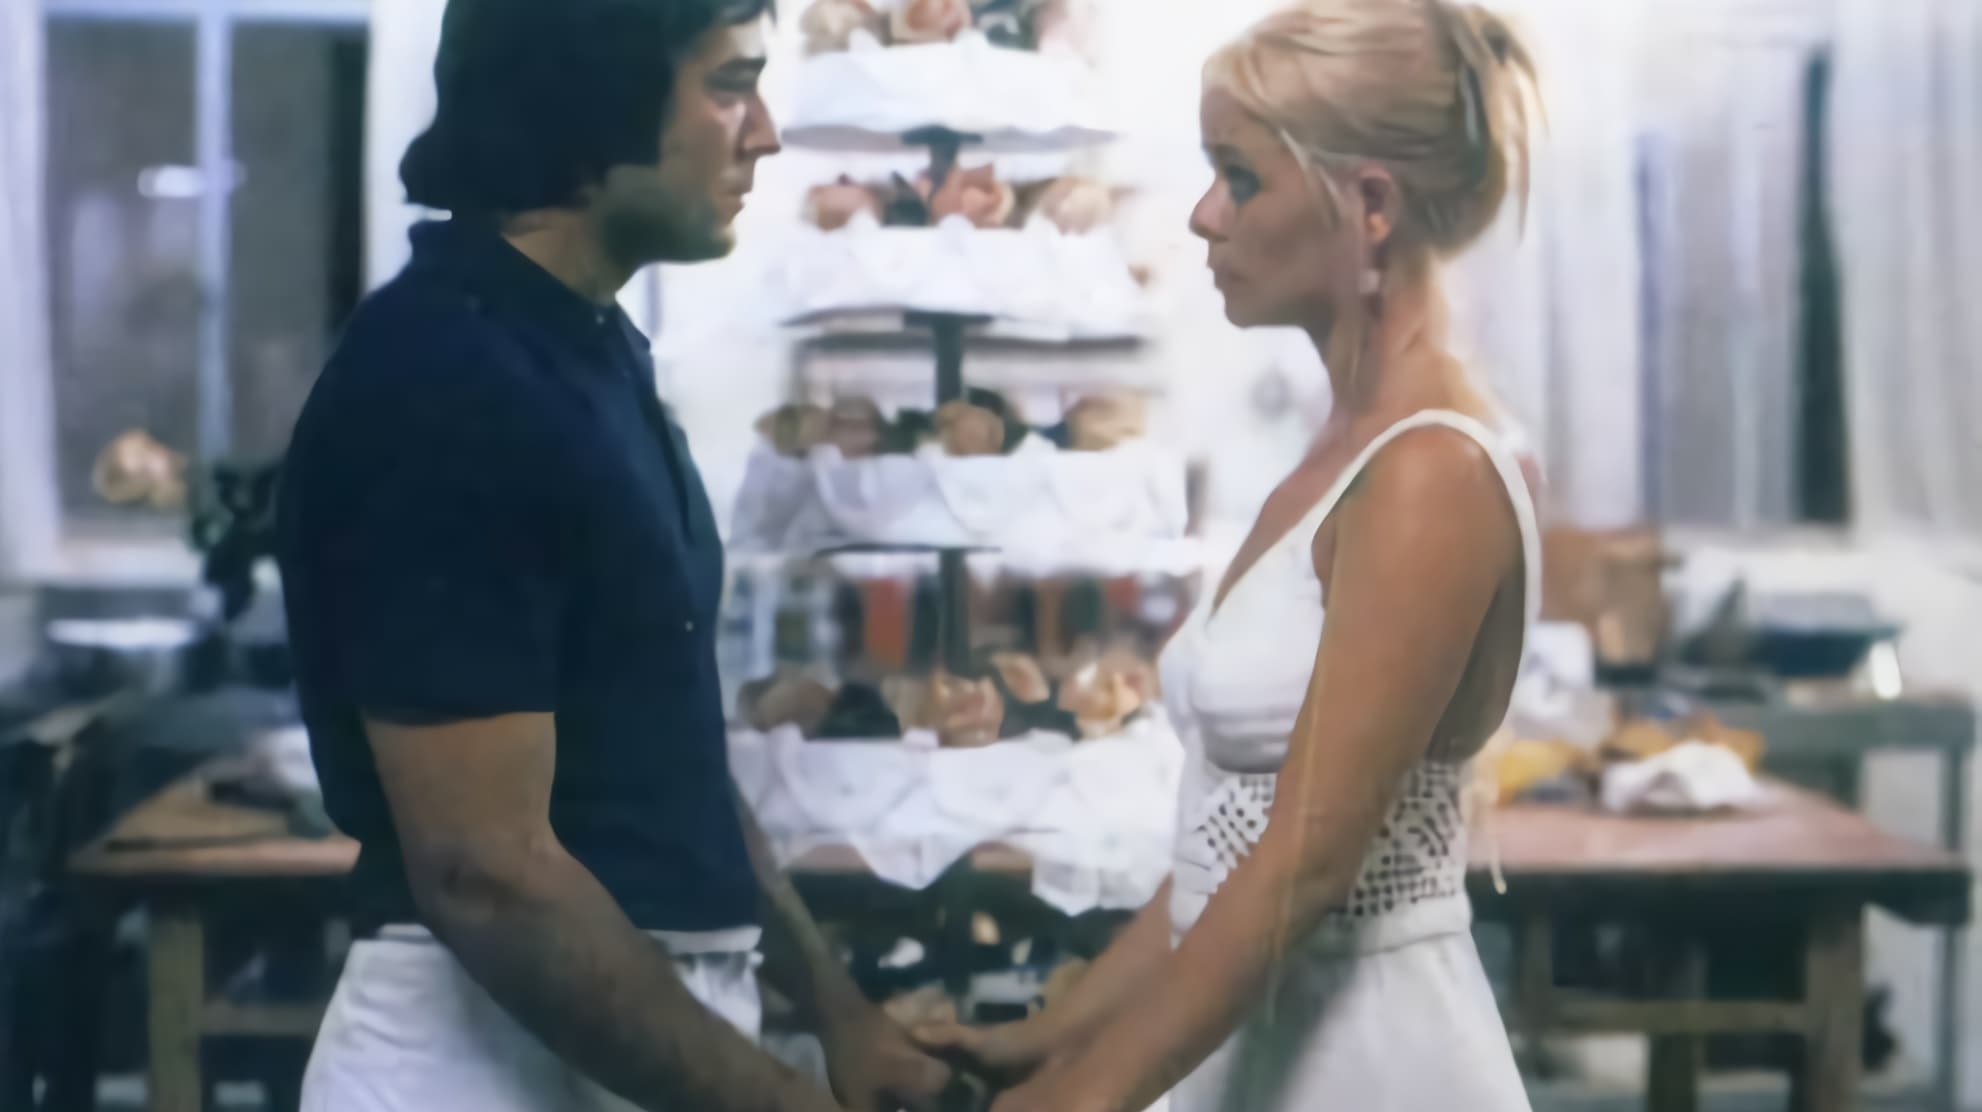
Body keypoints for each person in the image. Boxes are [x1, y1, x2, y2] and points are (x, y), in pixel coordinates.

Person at [275, 2, 953, 1109]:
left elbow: (661, 758)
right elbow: (485, 873)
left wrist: (838, 1016)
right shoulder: (444, 381)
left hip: (610, 1031)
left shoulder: (584, 351)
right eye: (729, 85)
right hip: (476, 1060)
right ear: (593, 93)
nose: (765, 132)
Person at [917, 2, 1543, 1109]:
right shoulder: (1339, 450)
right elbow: (1227, 851)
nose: (1204, 216)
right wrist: (1052, 1040)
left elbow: (1305, 861)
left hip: (1366, 1063)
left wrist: (1083, 1096)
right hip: (1260, 1051)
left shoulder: (1431, 469)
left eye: (1239, 178)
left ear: (1369, 207)